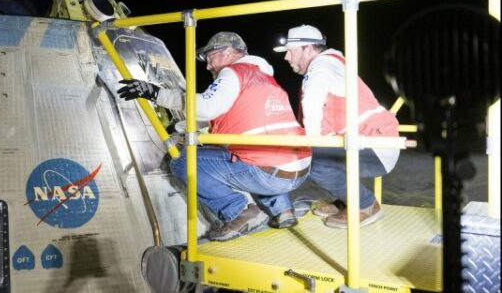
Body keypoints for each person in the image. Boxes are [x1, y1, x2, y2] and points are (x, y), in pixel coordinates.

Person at [118, 32, 311, 241]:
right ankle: (283, 211)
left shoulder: (234, 72)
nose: (208, 66)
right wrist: (181, 128)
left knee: (183, 161)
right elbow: (221, 118)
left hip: (268, 172)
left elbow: (208, 108)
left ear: (228, 52)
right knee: (258, 155)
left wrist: (155, 93)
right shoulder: (262, 77)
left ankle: (238, 212)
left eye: (211, 58)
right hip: (298, 168)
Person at [274, 24, 400, 228]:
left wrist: (311, 144)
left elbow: (312, 101)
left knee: (314, 163)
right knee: (319, 157)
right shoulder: (332, 63)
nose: (286, 57)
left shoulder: (321, 67)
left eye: (290, 51)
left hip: (375, 144)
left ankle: (365, 206)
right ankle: (347, 201)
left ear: (308, 48)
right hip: (373, 139)